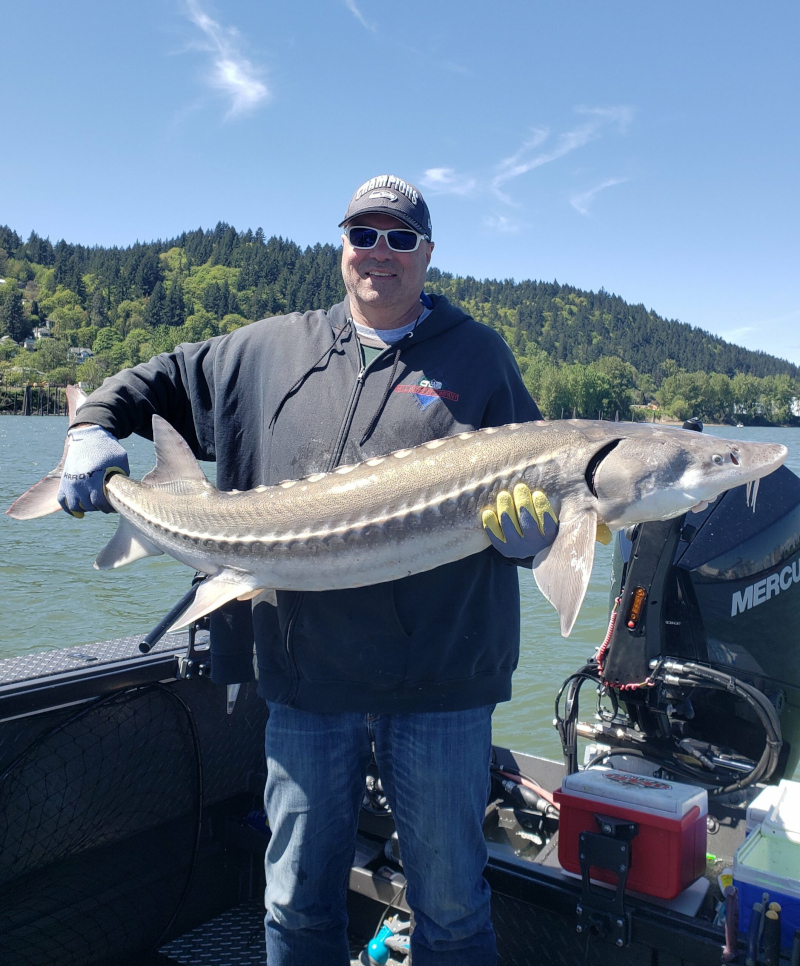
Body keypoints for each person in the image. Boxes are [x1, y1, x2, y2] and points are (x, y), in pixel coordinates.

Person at [57, 175, 557, 966]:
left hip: (441, 688)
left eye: (401, 238)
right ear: (341, 246)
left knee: (455, 910)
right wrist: (91, 425)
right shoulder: (268, 349)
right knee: (293, 906)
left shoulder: (478, 355)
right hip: (306, 683)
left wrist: (537, 539)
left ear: (429, 254)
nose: (380, 253)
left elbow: (541, 493)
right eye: (364, 233)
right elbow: (157, 381)